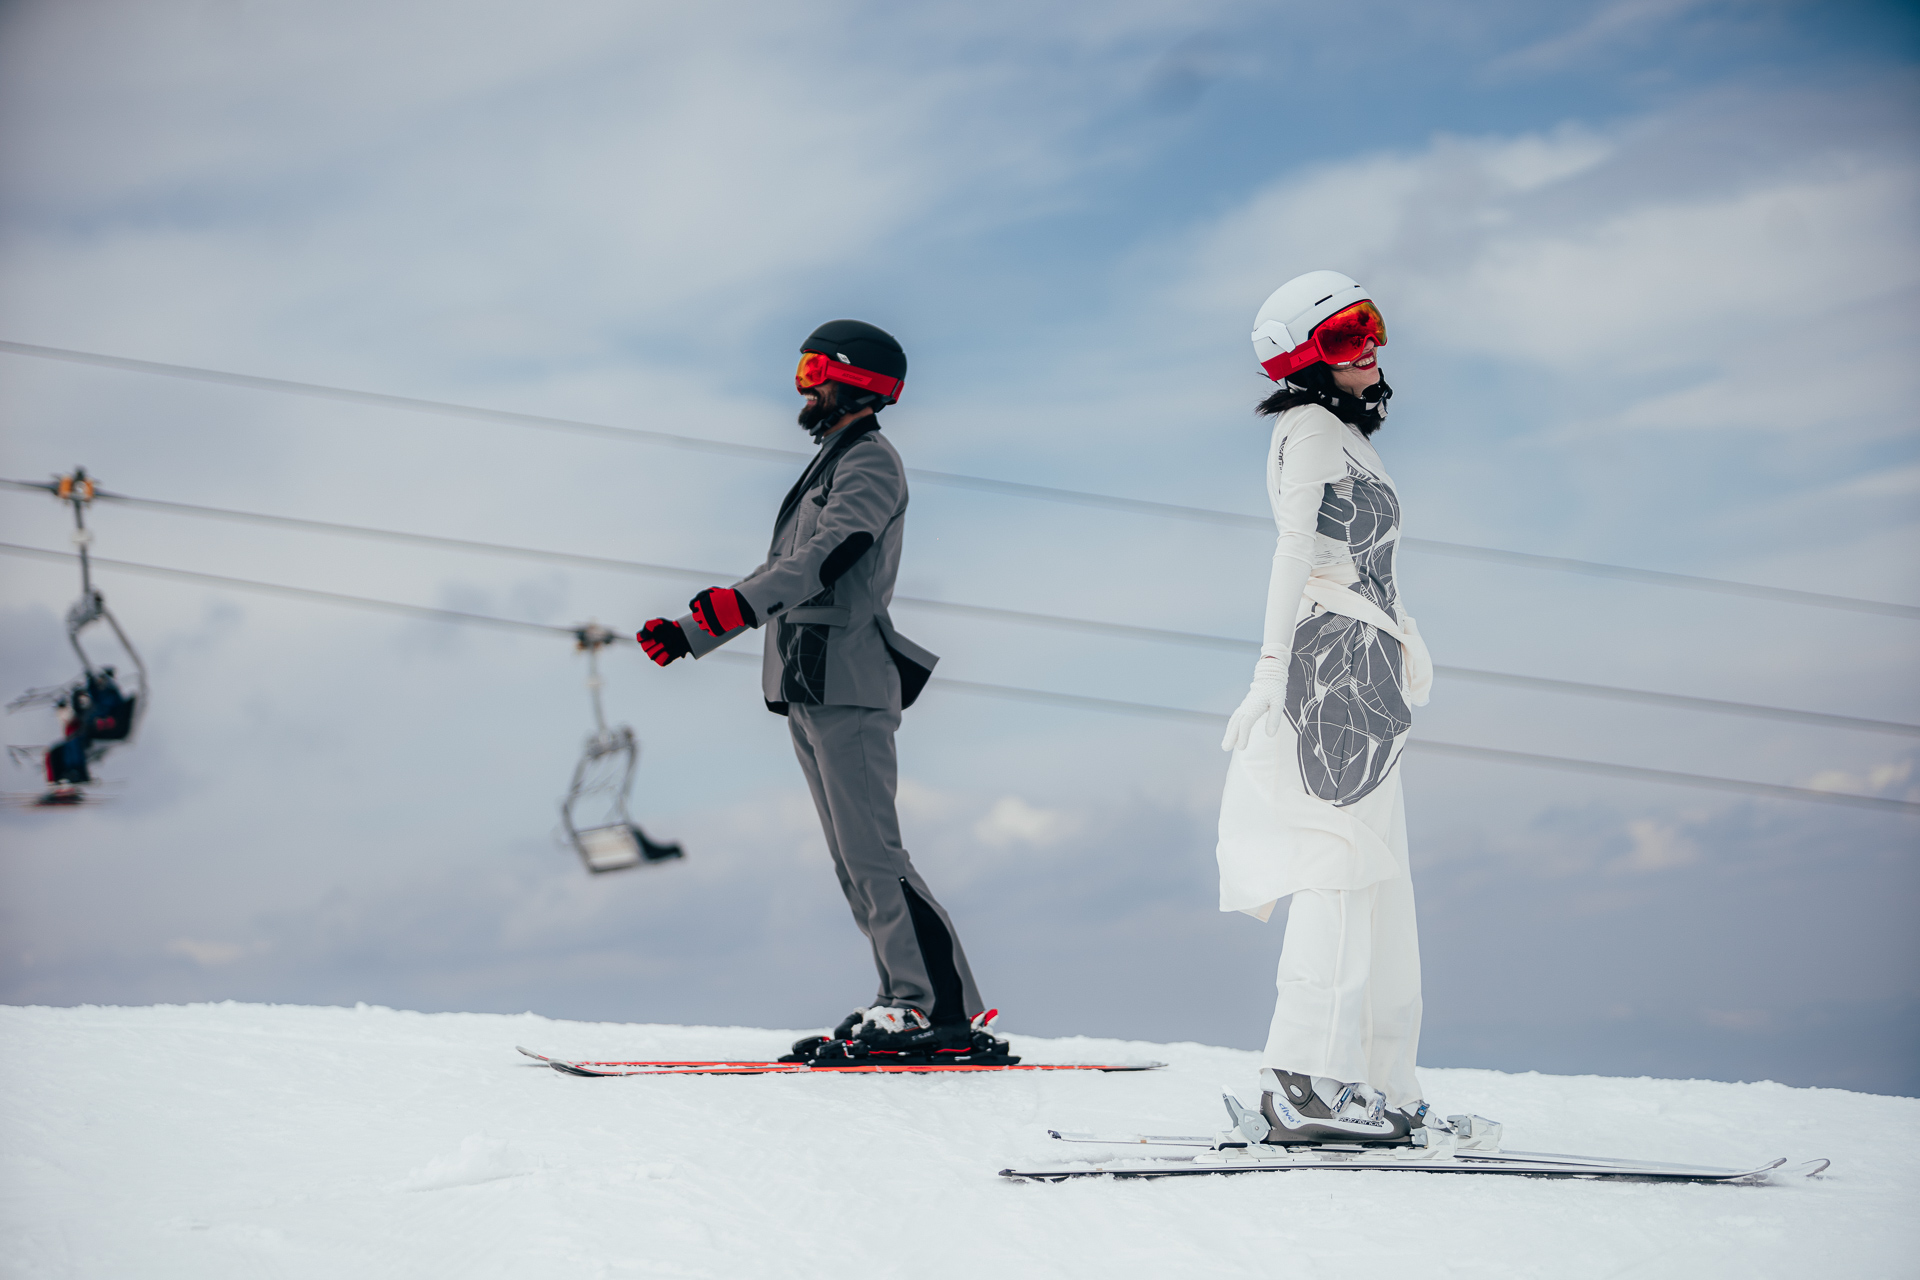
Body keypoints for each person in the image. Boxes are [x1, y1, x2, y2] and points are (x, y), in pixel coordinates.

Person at [637, 320, 1012, 1065]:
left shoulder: (870, 462)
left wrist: (713, 618)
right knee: (852, 857)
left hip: (848, 677)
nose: (803, 382)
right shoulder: (835, 461)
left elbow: (825, 558)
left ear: (859, 380)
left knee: (876, 853)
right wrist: (702, 627)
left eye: (816, 366)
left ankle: (935, 1010)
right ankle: (899, 1000)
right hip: (809, 677)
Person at [1216, 270, 1435, 1144]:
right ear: (1304, 364)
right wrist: (1271, 672)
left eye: (1370, 325)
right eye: (1345, 338)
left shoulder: (1350, 441)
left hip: (1370, 663)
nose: (1369, 345)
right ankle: (1299, 1081)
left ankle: (1381, 1080)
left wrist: (1406, 633)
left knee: (1382, 877)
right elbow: (1292, 553)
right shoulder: (1309, 430)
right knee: (1340, 865)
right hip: (1332, 664)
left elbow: (1368, 562)